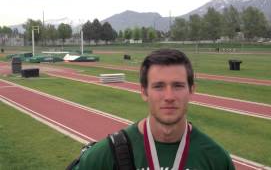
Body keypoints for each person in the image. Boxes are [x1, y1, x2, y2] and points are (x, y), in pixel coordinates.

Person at [72, 49, 235, 170]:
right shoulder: (105, 156)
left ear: (191, 90)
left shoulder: (217, 160)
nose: (169, 96)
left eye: (178, 86)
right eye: (159, 86)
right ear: (144, 92)